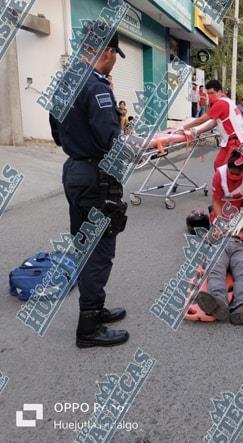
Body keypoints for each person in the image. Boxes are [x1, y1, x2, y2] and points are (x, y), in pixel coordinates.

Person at [49, 29, 129, 348]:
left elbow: (56, 134)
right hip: (97, 174)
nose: (114, 64)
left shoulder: (65, 82)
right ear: (106, 52)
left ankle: (96, 306)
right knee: (100, 249)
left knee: (86, 244)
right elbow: (111, 139)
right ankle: (89, 326)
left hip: (73, 170)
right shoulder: (97, 86)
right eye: (114, 57)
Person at [195, 227, 243, 325]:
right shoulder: (221, 226)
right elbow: (206, 241)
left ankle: (241, 307)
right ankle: (218, 302)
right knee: (215, 270)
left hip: (241, 247)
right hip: (220, 244)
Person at [176, 79, 243, 169]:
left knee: (228, 170)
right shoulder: (228, 101)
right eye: (208, 94)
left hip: (236, 142)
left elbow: (201, 120)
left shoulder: (221, 103)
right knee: (218, 166)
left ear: (219, 92)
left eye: (212, 93)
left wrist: (184, 127)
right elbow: (214, 122)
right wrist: (197, 131)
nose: (210, 97)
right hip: (232, 141)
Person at [211, 150, 243, 220]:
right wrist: (220, 220)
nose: (234, 177)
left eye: (237, 174)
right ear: (228, 168)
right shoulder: (219, 174)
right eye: (232, 173)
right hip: (226, 203)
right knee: (225, 228)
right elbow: (216, 201)